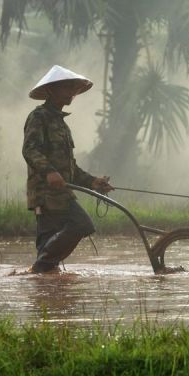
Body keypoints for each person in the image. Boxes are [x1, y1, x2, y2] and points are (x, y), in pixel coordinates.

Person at [21, 65, 114, 274]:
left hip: (62, 193)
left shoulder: (61, 123)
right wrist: (49, 172)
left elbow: (71, 167)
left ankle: (43, 281)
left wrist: (93, 181)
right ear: (52, 90)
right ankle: (39, 269)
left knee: (48, 245)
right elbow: (29, 150)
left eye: (73, 87)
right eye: (66, 87)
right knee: (82, 223)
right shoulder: (39, 117)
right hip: (45, 194)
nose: (71, 91)